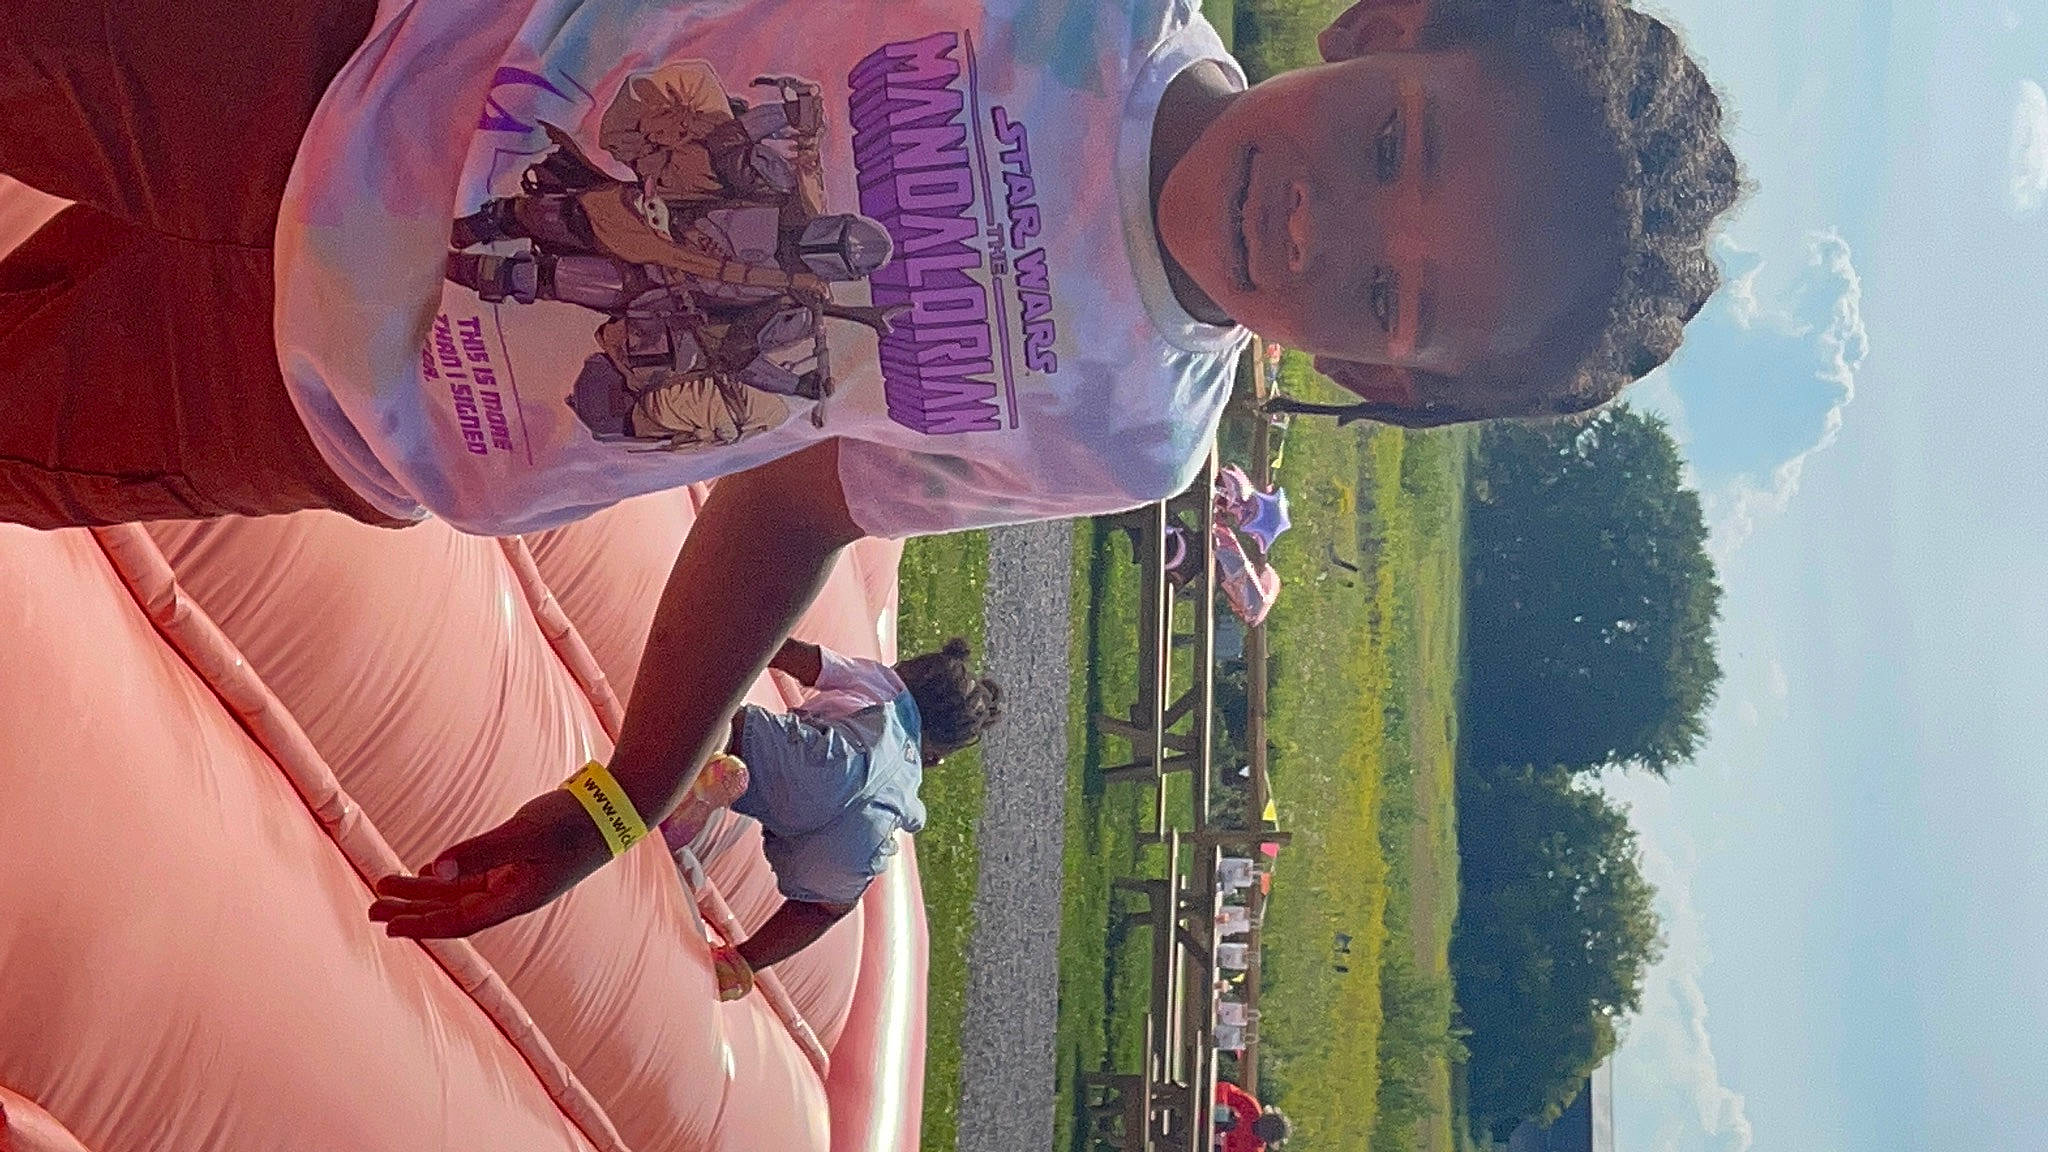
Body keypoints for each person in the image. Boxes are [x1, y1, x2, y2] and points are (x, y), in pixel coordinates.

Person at [0, 0, 1741, 937]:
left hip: (348, 406)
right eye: (1392, 143)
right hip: (335, 71)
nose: (1323, 220)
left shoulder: (1133, 430)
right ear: (1380, 31)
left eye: (1389, 289)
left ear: (1376, 368)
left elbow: (795, 496)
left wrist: (625, 794)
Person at [654, 636, 1001, 1000]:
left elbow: (793, 656)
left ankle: (705, 785)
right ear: (935, 759)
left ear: (903, 671)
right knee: (826, 906)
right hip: (858, 840)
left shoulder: (884, 685)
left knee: (727, 724)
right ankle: (742, 962)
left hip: (820, 765)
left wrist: (735, 638)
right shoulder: (911, 774)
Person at [1215, 1080, 1291, 1151]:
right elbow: (1224, 1088)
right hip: (1209, 1111)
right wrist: (1224, 1108)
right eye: (1271, 1122)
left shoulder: (1254, 1149)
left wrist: (1221, 1141)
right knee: (1229, 1117)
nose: (1268, 1127)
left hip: (1209, 1145)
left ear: (1270, 1140)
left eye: (1272, 1133)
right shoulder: (1251, 1106)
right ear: (1269, 1115)